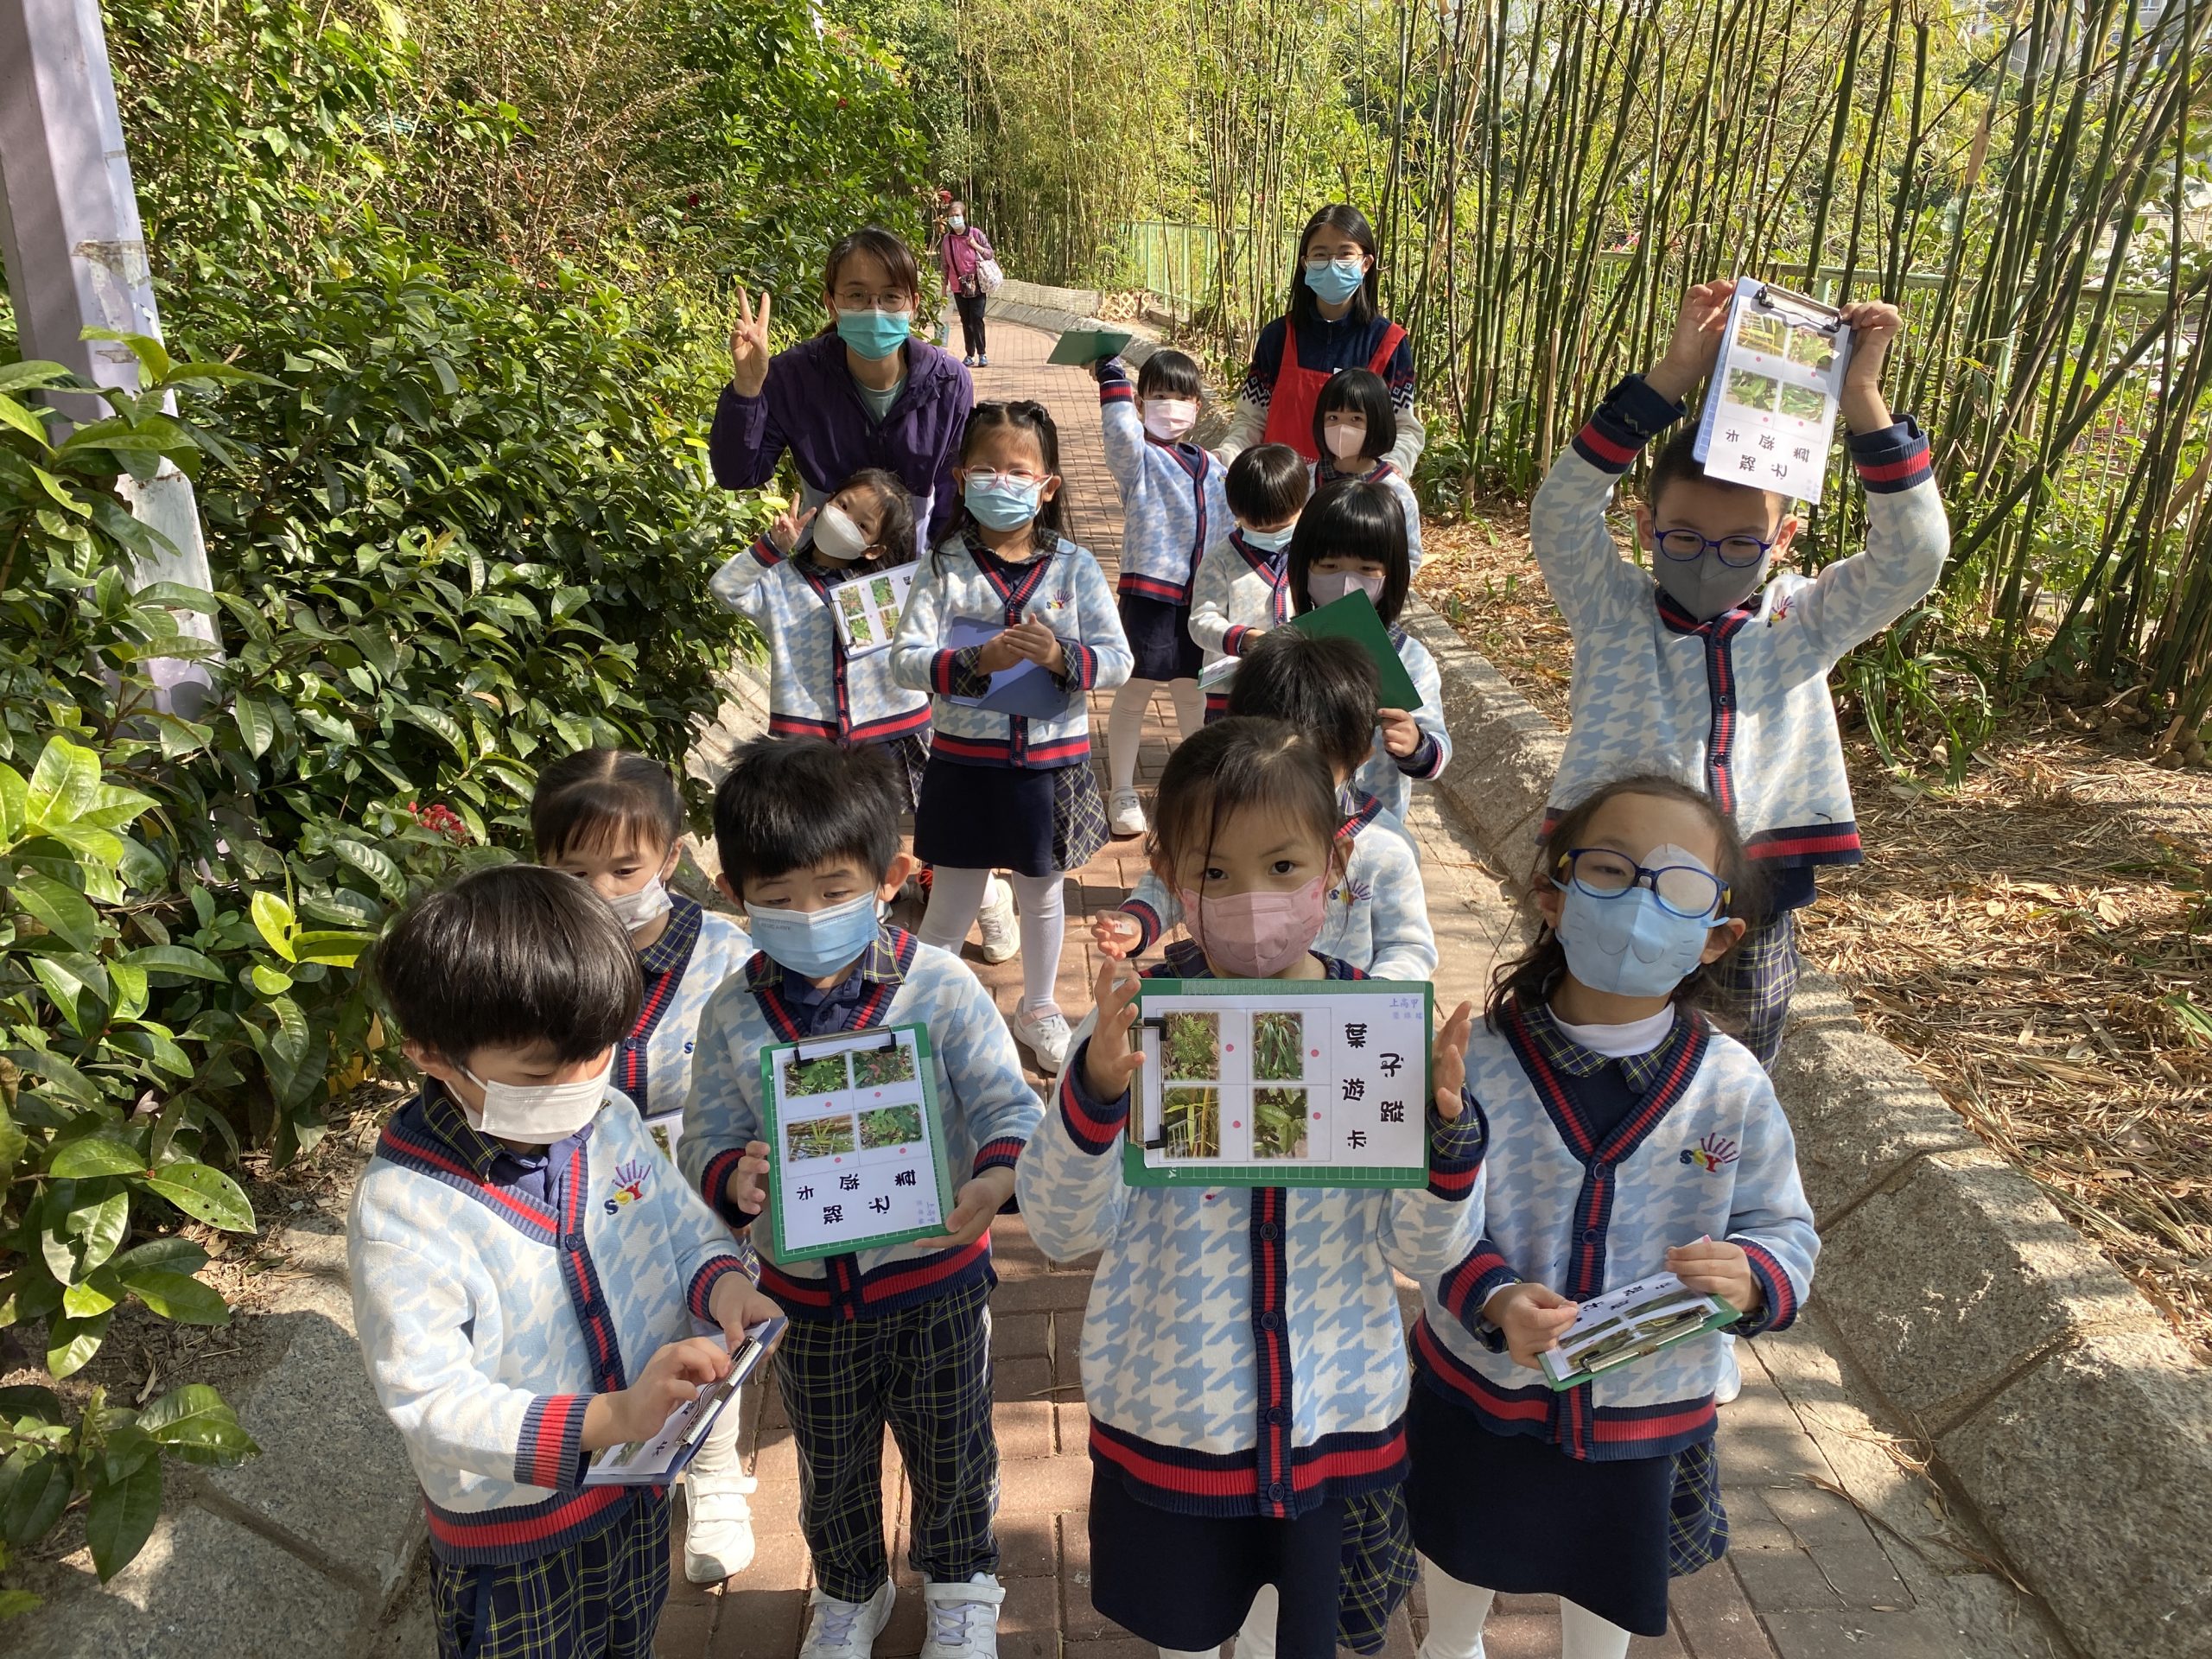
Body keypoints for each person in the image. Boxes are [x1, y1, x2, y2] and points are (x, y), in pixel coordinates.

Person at [1019, 716, 1487, 1659]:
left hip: (1333, 1420)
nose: (1251, 900)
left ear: (1334, 867)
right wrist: (1097, 1095)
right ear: (1169, 875)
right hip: (1175, 1423)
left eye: (1282, 866)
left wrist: (1446, 1144)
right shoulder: (1134, 1030)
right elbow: (1063, 1229)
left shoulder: (1371, 1034)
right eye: (1214, 872)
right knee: (1185, 1637)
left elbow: (1422, 1251)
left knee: (1295, 1637)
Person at [1407, 775, 1819, 1659]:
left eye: (1677, 886)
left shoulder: (1731, 1084)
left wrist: (1755, 1276)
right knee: (1458, 1544)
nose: (1638, 902)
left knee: (1611, 1573)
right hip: (1485, 1389)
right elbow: (1427, 1224)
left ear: (1718, 936)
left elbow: (1785, 1228)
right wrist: (1494, 1298)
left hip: (1645, 1409)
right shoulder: (1473, 1064)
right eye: (1610, 870)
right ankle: (1450, 1646)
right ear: (1551, 895)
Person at [350, 865, 779, 1659]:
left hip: (633, 1492)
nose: (581, 1084)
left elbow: (682, 1227)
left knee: (631, 1638)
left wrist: (722, 1284)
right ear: (432, 1055)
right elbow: (429, 1397)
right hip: (513, 1540)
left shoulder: (607, 1120)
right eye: (541, 1074)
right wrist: (608, 1419)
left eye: (597, 1052)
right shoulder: (405, 1213)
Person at [679, 737, 1044, 1659]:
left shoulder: (939, 987)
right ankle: (849, 1591)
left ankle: (961, 1586)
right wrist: (732, 1180)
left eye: (834, 890)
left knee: (954, 1451)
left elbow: (1008, 1105)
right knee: (830, 1461)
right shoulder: (731, 1013)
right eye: (777, 897)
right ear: (733, 893)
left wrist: (996, 1175)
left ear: (890, 878)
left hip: (936, 1284)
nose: (807, 916)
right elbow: (704, 1138)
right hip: (806, 1298)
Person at [1530, 282, 1947, 1068]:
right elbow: (1560, 513)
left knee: (1729, 1080)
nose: (1709, 561)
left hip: (1746, 909)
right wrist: (1671, 378)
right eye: (1684, 538)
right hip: (1604, 883)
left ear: (1783, 540)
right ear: (1647, 527)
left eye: (1740, 545)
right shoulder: (1613, 610)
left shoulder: (1800, 626)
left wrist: (1863, 398)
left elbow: (1914, 556)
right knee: (1569, 1056)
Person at [527, 748, 763, 1585]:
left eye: (624, 868)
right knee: (609, 1318)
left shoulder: (727, 957)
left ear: (670, 857)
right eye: (573, 872)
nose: (600, 890)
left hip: (698, 1179)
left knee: (705, 1316)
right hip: (579, 1183)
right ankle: (631, 1456)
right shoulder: (534, 954)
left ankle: (715, 1471)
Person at [890, 400, 1133, 1072]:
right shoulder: (944, 565)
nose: (1003, 482)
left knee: (1042, 893)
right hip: (965, 766)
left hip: (1046, 769)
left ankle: (1039, 1007)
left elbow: (1118, 659)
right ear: (962, 479)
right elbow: (904, 659)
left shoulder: (1074, 566)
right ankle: (926, 1015)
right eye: (987, 469)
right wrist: (976, 661)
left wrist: (1061, 657)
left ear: (1047, 485)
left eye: (1019, 471)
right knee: (950, 903)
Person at [1090, 632, 1433, 981]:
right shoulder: (1222, 811)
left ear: (1359, 755)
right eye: (1264, 754)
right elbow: (1179, 874)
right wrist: (1138, 921)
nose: (1282, 777)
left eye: (1311, 763)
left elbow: (1407, 945)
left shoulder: (1386, 847)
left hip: (1342, 1007)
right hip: (1221, 990)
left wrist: (1375, 999)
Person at [711, 227, 975, 552]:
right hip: (822, 568)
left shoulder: (948, 383)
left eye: (891, 296)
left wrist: (937, 568)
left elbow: (953, 496)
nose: (875, 309)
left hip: (911, 570)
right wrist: (747, 390)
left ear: (913, 305)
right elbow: (738, 475)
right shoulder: (794, 377)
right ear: (831, 303)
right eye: (857, 295)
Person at [709, 468, 933, 810]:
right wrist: (772, 549)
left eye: (863, 525)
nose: (845, 520)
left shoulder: (887, 591)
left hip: (890, 731)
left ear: (874, 550)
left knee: (886, 826)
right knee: (814, 827)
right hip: (806, 738)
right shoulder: (779, 581)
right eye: (843, 505)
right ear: (828, 501)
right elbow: (725, 587)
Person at [1092, 347, 1230, 836]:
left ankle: (1196, 787)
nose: (1172, 405)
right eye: (1160, 395)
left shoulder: (1213, 465)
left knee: (1193, 693)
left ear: (1197, 406)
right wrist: (1112, 379)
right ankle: (1122, 791)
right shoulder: (1139, 459)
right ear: (1141, 403)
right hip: (1150, 594)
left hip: (1202, 601)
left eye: (1182, 396)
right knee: (1134, 691)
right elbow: (1119, 434)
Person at [1215, 204, 1422, 474]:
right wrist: (1223, 457)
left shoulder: (1388, 343)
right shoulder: (1277, 337)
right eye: (1321, 255)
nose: (1333, 264)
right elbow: (1251, 422)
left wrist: (1391, 470)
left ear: (1366, 263)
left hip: (1352, 494)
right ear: (1306, 263)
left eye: (1345, 254)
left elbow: (1404, 429)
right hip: (1281, 492)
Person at [1286, 480, 1449, 822]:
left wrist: (1415, 745)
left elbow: (1437, 751)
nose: (1347, 582)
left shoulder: (1410, 660)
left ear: (1392, 573)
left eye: (1366, 569)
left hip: (1374, 828)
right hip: (1291, 821)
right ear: (1302, 566)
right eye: (1329, 566)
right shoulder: (1286, 647)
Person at [1187, 443, 1309, 717]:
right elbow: (1201, 620)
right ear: (1237, 512)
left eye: (1281, 525)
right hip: (1232, 694)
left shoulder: (1314, 555)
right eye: (1257, 525)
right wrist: (1244, 638)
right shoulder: (1220, 560)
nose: (1270, 532)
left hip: (1297, 693)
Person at [1311, 368, 1424, 575]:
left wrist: (1381, 589)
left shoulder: (1396, 492)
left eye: (1355, 419)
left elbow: (1410, 555)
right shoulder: (1306, 481)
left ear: (1377, 422)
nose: (1342, 428)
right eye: (1333, 417)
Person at [938, 200, 995, 368]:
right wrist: (943, 289)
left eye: (957, 215)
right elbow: (944, 266)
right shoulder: (947, 240)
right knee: (966, 321)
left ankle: (982, 353)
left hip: (977, 285)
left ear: (964, 216)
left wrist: (975, 246)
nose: (954, 219)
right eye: (951, 216)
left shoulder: (975, 234)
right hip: (958, 286)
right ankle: (970, 354)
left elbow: (989, 254)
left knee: (977, 319)